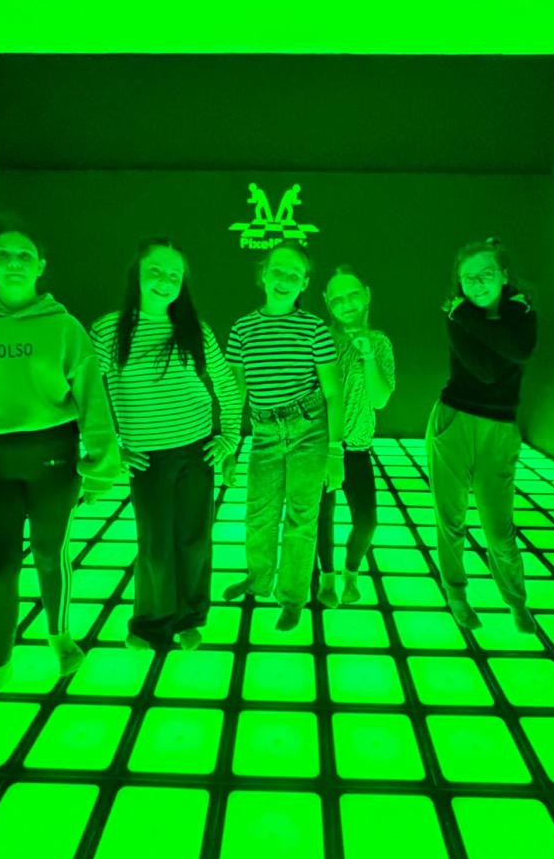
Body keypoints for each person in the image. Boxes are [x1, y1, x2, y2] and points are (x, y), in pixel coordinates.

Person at [0, 216, 121, 721]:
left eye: (24, 255)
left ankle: (60, 637)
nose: (14, 262)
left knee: (51, 555)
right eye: (3, 255)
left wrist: (101, 466)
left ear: (41, 266)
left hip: (53, 460)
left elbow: (92, 397)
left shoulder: (64, 327)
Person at [89, 237, 242, 651]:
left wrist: (229, 437)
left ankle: (190, 618)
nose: (165, 280)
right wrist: (109, 448)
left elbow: (227, 385)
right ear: (137, 275)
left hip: (196, 449)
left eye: (175, 274)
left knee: (195, 539)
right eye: (155, 270)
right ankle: (150, 624)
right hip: (147, 457)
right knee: (155, 545)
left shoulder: (196, 330)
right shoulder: (108, 330)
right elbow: (86, 394)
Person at [221, 241, 345, 631]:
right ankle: (258, 579)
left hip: (309, 429)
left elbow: (333, 392)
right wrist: (229, 446)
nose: (285, 278)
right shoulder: (242, 329)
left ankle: (292, 597)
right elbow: (236, 392)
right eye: (278, 269)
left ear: (304, 283)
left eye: (295, 273)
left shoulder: (314, 328)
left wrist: (336, 451)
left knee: (302, 517)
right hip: (264, 432)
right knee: (259, 512)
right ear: (263, 274)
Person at [426, 237, 538, 634]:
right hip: (453, 419)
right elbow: (487, 371)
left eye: (485, 273)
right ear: (459, 281)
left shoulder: (518, 312)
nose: (476, 283)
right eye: (467, 277)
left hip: (499, 429)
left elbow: (519, 351)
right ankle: (456, 594)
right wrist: (473, 322)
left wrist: (466, 317)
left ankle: (515, 601)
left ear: (504, 275)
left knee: (498, 528)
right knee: (450, 518)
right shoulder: (454, 314)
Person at [315, 266, 396, 608]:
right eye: (337, 299)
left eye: (352, 295)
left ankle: (351, 572)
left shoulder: (379, 342)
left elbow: (380, 400)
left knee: (366, 521)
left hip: (359, 447)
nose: (346, 304)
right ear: (327, 302)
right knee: (322, 516)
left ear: (366, 294)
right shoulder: (319, 339)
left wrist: (368, 355)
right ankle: (326, 577)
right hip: (321, 446)